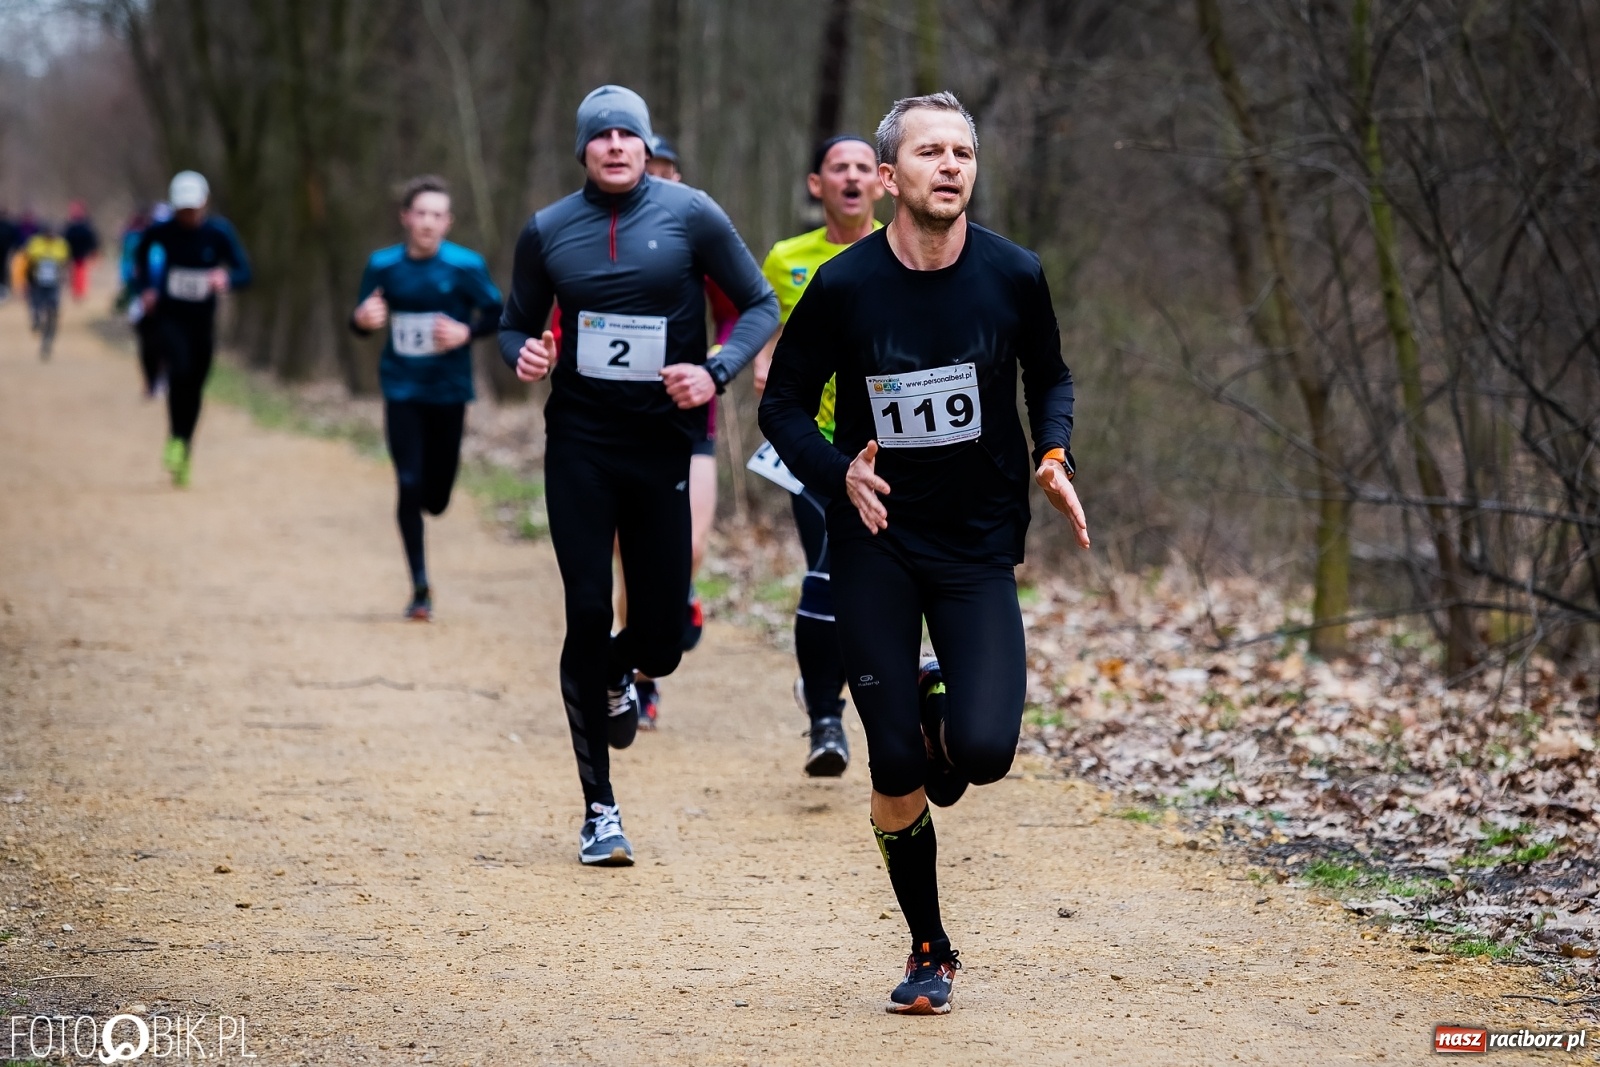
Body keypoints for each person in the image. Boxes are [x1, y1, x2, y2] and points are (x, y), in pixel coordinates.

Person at [759, 91, 1090, 1015]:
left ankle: (942, 697)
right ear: (891, 173)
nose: (950, 166)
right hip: (876, 542)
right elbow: (781, 405)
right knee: (896, 763)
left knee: (980, 754)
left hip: (979, 544)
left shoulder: (1013, 274)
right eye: (931, 152)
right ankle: (929, 946)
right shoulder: (847, 285)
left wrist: (1053, 452)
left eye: (963, 153)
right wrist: (838, 476)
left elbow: (1050, 374)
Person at [499, 85, 779, 866]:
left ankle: (619, 672)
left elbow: (759, 304)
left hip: (664, 445)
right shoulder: (549, 230)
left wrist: (715, 370)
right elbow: (515, 319)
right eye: (602, 135)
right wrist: (522, 352)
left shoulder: (691, 215)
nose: (617, 145)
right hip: (581, 447)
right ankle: (600, 809)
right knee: (586, 612)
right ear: (583, 149)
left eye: (629, 134)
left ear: (646, 144)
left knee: (662, 635)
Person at [750, 133, 885, 777]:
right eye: (840, 168)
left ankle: (835, 696)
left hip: (886, 449)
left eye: (864, 167)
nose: (852, 177)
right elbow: (770, 330)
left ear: (882, 182)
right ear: (818, 185)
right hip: (811, 446)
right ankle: (826, 722)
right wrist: (764, 358)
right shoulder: (785, 259)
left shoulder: (902, 249)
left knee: (853, 582)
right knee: (827, 573)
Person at [626, 134, 741, 728]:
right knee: (629, 556)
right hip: (614, 420)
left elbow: (738, 308)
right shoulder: (604, 235)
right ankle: (637, 679)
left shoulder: (699, 235)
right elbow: (568, 318)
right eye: (653, 171)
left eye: (672, 171)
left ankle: (678, 595)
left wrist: (716, 359)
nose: (662, 180)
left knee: (686, 545)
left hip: (689, 416)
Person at [350, 176, 503, 621]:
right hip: (402, 388)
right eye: (421, 213)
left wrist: (465, 332)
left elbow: (497, 313)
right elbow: (361, 319)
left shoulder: (465, 267)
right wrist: (363, 318)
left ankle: (426, 509)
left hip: (449, 391)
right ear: (406, 217)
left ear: (449, 222)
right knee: (409, 482)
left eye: (438, 215)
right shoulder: (382, 265)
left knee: (436, 497)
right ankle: (419, 585)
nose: (429, 222)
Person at [133, 171, 252, 488]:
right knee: (179, 373)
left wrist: (226, 279)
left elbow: (244, 271)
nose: (188, 215)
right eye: (182, 209)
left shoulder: (218, 233)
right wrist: (145, 288)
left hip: (203, 322)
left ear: (204, 204)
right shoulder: (162, 232)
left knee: (195, 386)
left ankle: (184, 446)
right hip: (170, 318)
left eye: (193, 209)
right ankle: (174, 439)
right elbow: (140, 256)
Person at [121, 204, 171, 397]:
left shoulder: (175, 246)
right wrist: (142, 293)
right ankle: (150, 381)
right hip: (143, 301)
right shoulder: (143, 244)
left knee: (167, 343)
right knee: (147, 344)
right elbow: (133, 272)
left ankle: (163, 379)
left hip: (168, 304)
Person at [21, 223, 70, 359]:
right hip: (37, 283)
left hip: (53, 284)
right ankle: (36, 321)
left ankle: (47, 342)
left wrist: (64, 277)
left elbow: (65, 264)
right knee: (36, 308)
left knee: (52, 312)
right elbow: (27, 262)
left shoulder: (61, 245)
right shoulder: (35, 244)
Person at [63, 201, 100, 302]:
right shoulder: (69, 226)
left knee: (81, 274)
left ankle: (80, 293)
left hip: (82, 254)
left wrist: (93, 251)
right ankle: (75, 293)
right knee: (73, 275)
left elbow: (92, 239)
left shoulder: (86, 225)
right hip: (72, 254)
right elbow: (65, 239)